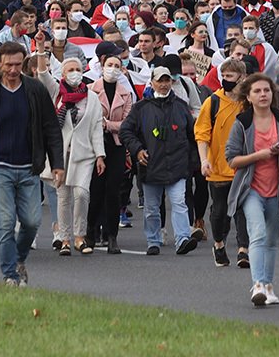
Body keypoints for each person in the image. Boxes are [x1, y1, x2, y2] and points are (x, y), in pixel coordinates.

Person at [0, 42, 64, 287]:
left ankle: (18, 259)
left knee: (31, 222)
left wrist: (57, 163)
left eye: (18, 64)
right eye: (8, 64)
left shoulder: (35, 90)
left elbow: (51, 127)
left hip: (28, 168)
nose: (13, 69)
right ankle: (10, 275)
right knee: (6, 223)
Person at [225, 72, 279, 306]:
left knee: (272, 240)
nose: (263, 94)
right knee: (257, 234)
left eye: (266, 90)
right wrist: (260, 155)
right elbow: (232, 160)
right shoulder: (242, 122)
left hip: (278, 188)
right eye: (257, 91)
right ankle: (257, 285)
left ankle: (268, 285)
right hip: (250, 188)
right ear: (248, 95)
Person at [120, 65, 199, 256]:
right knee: (151, 207)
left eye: (167, 80)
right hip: (151, 165)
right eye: (160, 80)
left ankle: (182, 239)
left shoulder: (181, 106)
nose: (164, 84)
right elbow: (126, 131)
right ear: (152, 82)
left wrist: (192, 160)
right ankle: (153, 240)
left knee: (179, 203)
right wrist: (137, 150)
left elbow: (193, 135)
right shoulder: (141, 108)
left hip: (177, 164)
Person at [194, 59, 250, 268]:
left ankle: (243, 250)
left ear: (241, 77)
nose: (225, 80)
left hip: (243, 166)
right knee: (219, 212)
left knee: (243, 210)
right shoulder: (213, 102)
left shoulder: (248, 102)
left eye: (230, 76)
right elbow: (202, 134)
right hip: (217, 167)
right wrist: (204, 159)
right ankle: (218, 244)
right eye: (223, 76)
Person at [50, 57, 106, 256]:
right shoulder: (57, 94)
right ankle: (65, 238)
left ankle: (80, 236)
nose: (74, 72)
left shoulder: (91, 97)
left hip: (84, 153)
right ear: (63, 75)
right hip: (61, 153)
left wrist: (100, 154)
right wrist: (41, 51)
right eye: (70, 70)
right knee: (63, 196)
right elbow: (42, 76)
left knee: (82, 194)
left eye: (77, 69)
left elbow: (96, 127)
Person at [89, 53, 135, 255]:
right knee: (95, 189)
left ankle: (112, 235)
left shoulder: (126, 94)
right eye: (110, 64)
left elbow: (127, 123)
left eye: (117, 65)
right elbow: (89, 119)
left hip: (116, 146)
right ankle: (91, 231)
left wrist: (107, 124)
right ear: (102, 65)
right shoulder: (91, 90)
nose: (113, 68)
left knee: (113, 191)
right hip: (94, 146)